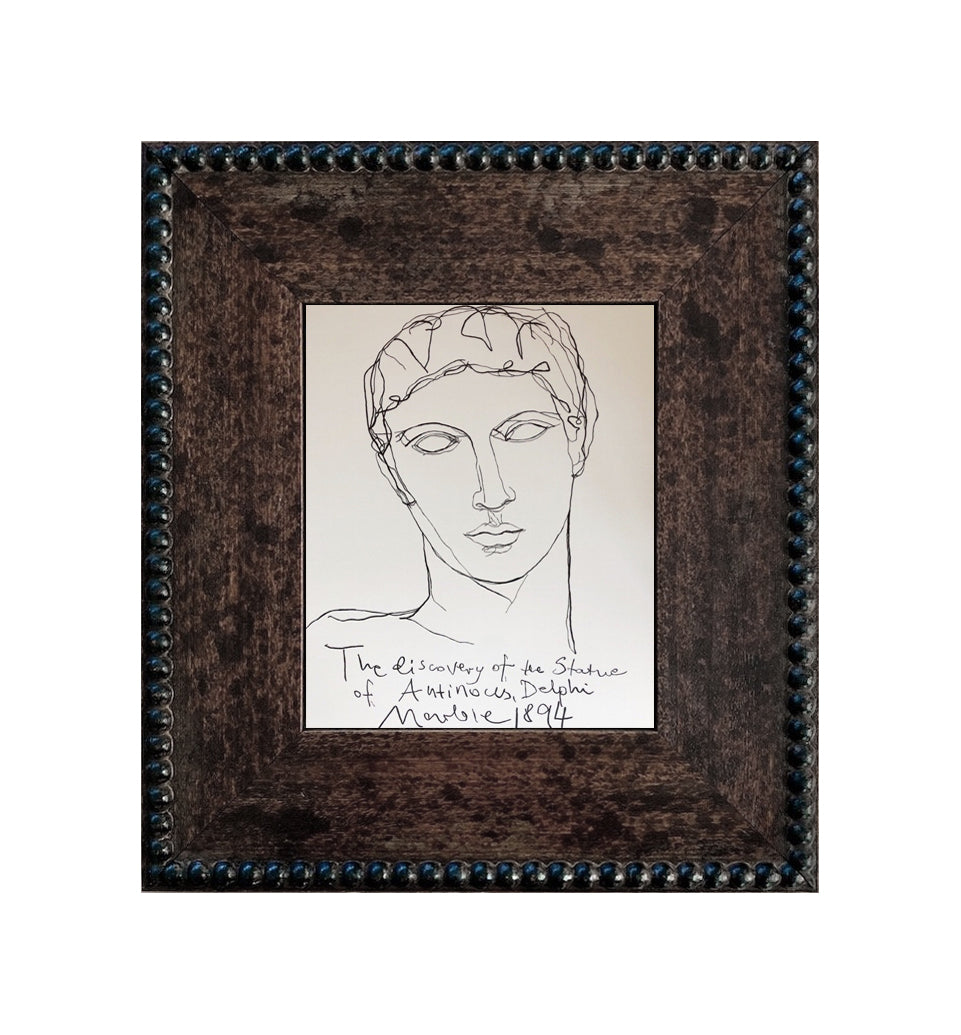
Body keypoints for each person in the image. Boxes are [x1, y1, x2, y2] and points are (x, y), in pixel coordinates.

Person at [308, 304, 597, 663]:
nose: (492, 494)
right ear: (391, 469)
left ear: (577, 439)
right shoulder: (336, 655)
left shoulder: (631, 649)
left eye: (523, 431)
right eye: (436, 443)